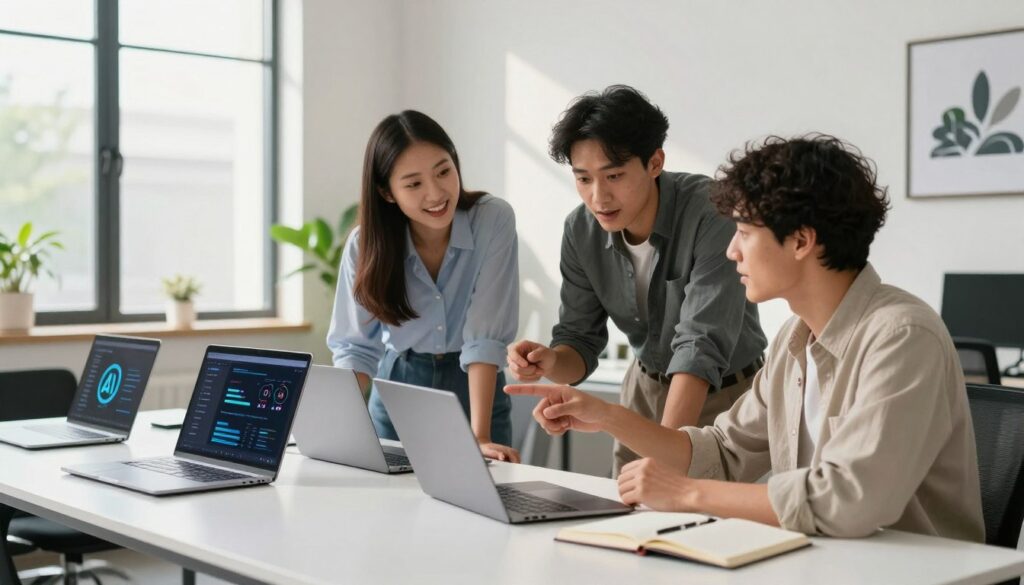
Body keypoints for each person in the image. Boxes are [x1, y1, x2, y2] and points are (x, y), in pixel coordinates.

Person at [507, 134, 985, 541]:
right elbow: (723, 451)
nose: (731, 250)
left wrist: (687, 494)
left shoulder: (901, 336)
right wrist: (607, 415)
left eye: (743, 232)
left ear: (801, 240)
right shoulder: (794, 343)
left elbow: (848, 500)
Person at [506, 85, 767, 474]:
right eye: (583, 179)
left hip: (724, 398)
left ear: (655, 162)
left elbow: (700, 346)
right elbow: (578, 344)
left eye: (613, 175)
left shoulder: (711, 212)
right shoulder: (580, 231)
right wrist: (548, 362)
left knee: (713, 529)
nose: (598, 197)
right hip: (643, 392)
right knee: (626, 526)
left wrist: (663, 456)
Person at [328, 110, 520, 462]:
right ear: (387, 192)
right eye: (414, 184)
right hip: (398, 387)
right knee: (391, 510)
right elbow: (355, 348)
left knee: (483, 506)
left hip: (474, 385)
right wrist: (339, 434)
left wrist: (479, 436)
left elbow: (485, 338)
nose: (436, 193)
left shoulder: (493, 219)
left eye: (444, 171)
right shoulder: (365, 244)